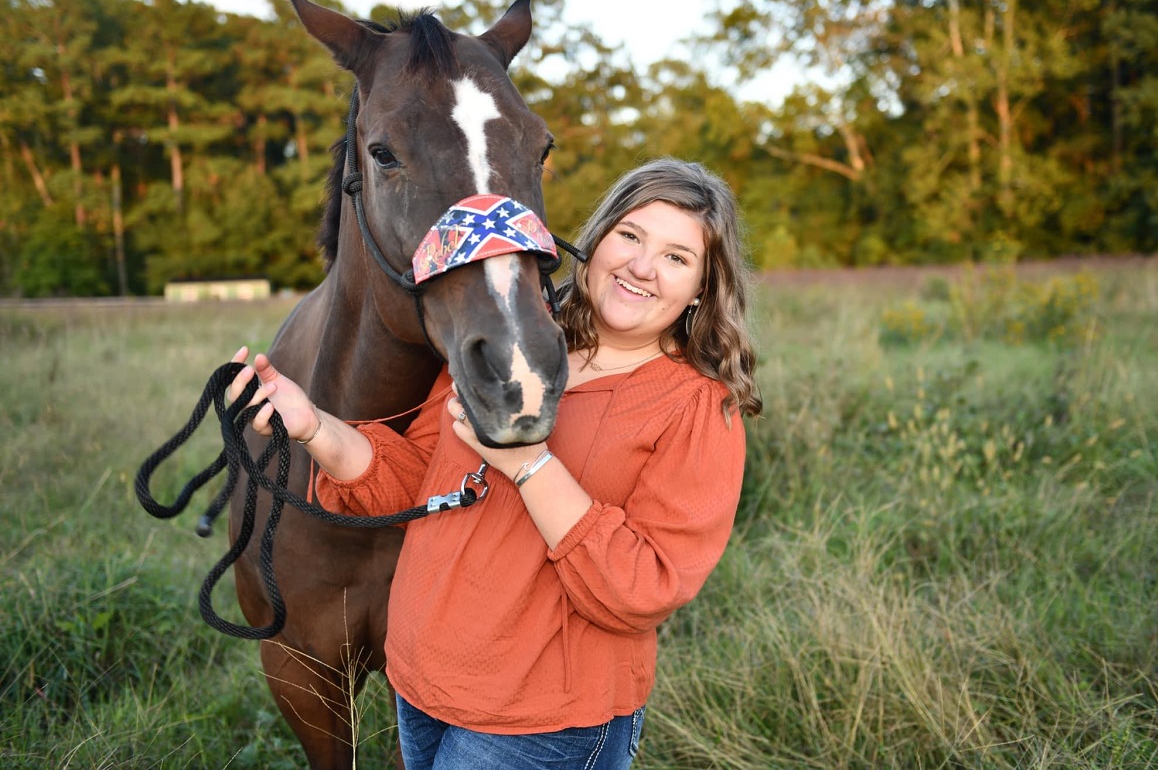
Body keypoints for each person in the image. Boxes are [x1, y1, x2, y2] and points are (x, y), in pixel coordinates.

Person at [228, 157, 762, 770]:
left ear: (701, 288)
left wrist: (531, 464)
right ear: (595, 242)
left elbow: (646, 585)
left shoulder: (696, 408)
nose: (642, 267)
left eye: (677, 257)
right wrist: (315, 426)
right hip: (421, 685)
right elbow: (416, 482)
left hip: (539, 722)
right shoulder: (509, 347)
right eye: (631, 236)